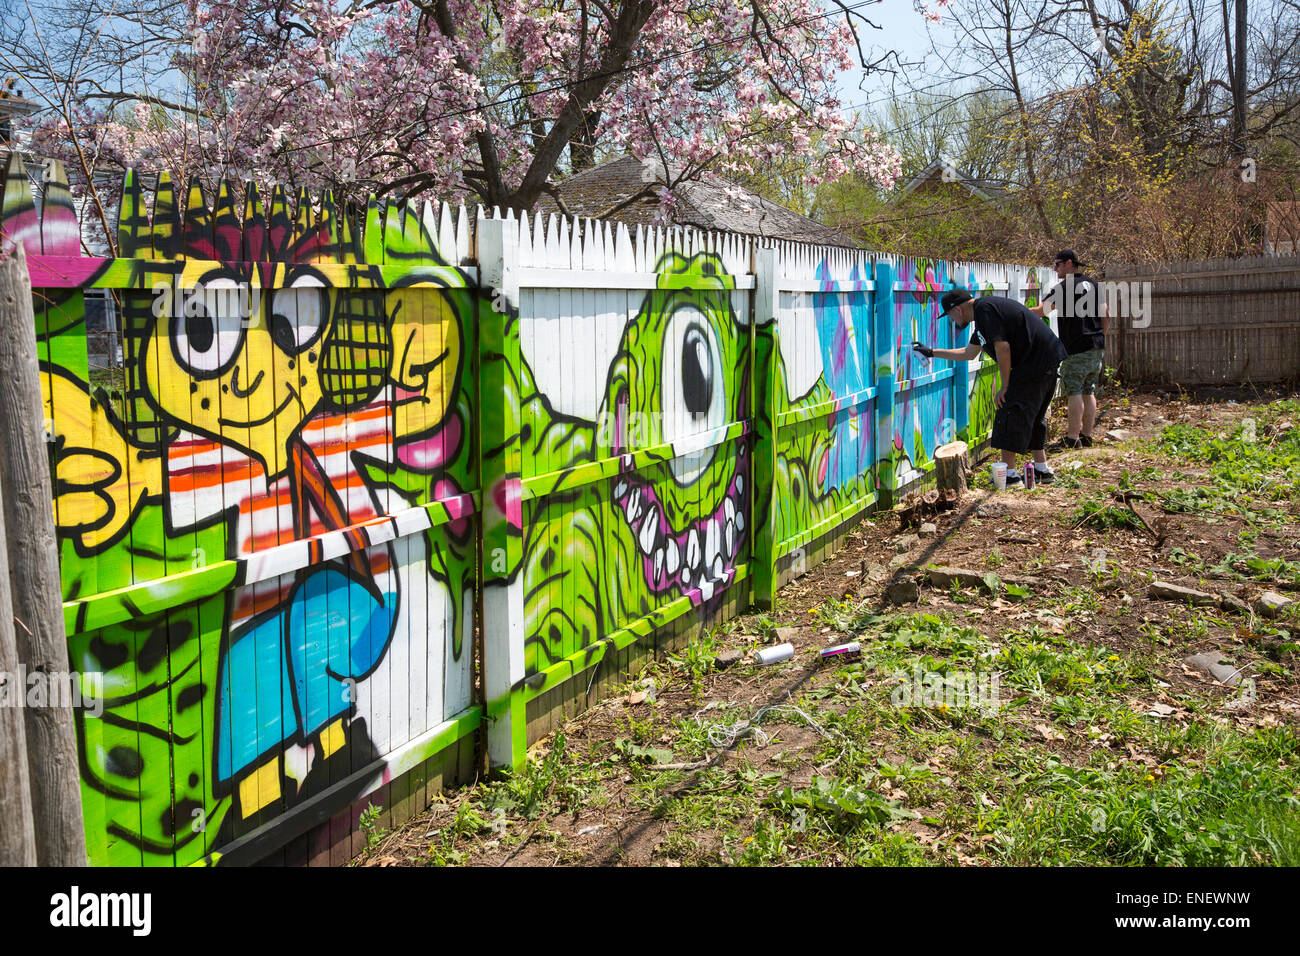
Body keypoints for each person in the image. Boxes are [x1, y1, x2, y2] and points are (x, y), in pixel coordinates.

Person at [913, 288, 1067, 486]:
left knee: (1009, 413)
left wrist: (1005, 386)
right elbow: (969, 353)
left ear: (957, 309)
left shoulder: (985, 311)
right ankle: (1041, 469)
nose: (951, 320)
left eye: (949, 315)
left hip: (1034, 362)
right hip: (1047, 359)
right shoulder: (986, 316)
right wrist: (932, 352)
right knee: (1034, 416)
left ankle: (1009, 475)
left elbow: (1003, 348)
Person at [1031, 249, 1108, 449]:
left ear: (1068, 263)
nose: (1054, 268)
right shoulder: (1093, 284)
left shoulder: (1065, 287)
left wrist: (1016, 311)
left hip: (1077, 347)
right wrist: (1101, 336)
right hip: (1096, 346)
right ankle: (1086, 436)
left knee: (1074, 390)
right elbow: (1106, 313)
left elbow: (1041, 311)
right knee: (1088, 390)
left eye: (1057, 264)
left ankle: (1072, 439)